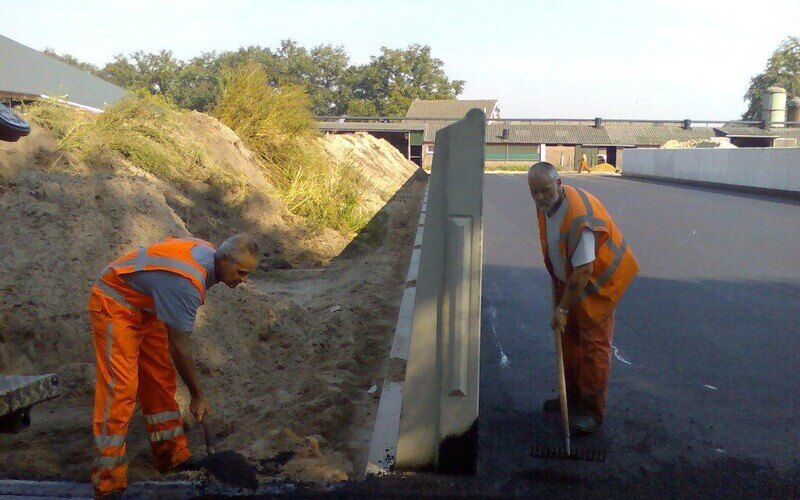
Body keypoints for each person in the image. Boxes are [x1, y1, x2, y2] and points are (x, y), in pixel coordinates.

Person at [88, 234, 260, 498]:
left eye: (248, 274)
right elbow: (179, 347)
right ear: (223, 260)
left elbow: (170, 244)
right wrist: (197, 395)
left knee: (159, 379)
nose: (243, 280)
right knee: (120, 389)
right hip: (116, 302)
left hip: (147, 305)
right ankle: (108, 481)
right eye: (241, 272)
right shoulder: (187, 284)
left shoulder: (206, 253)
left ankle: (172, 455)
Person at [527, 162, 639, 434]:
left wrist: (562, 309)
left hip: (599, 284)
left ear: (559, 183)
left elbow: (585, 269)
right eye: (534, 192)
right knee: (569, 340)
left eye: (545, 190)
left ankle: (592, 411)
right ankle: (571, 397)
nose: (540, 197)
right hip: (570, 281)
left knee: (593, 348)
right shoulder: (547, 207)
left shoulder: (580, 218)